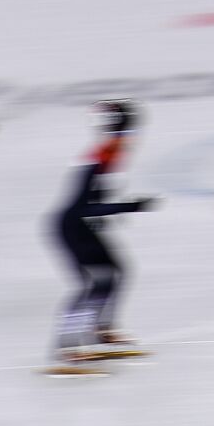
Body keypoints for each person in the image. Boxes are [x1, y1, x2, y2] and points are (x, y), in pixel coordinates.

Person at [49, 99, 158, 365]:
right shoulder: (101, 157)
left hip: (81, 224)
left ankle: (101, 330)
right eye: (127, 135)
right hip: (72, 225)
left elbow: (92, 202)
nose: (131, 142)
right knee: (90, 283)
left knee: (116, 272)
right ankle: (66, 345)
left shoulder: (108, 155)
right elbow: (84, 207)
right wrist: (129, 206)